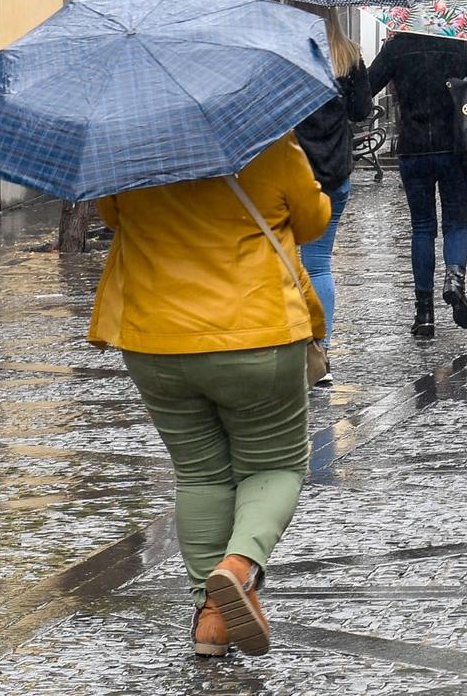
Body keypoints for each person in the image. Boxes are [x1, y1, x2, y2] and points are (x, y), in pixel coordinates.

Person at [91, 134, 330, 658]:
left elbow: (113, 216)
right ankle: (239, 567)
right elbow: (312, 220)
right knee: (276, 466)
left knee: (199, 473)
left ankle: (210, 619)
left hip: (155, 337)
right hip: (256, 332)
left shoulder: (125, 146)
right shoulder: (267, 143)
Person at [367, 25, 467, 338]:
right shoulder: (462, 46)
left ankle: (424, 314)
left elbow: (364, 93)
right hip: (456, 147)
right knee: (456, 224)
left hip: (414, 148)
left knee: (422, 227)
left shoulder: (397, 47)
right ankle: (454, 281)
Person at [286, 5, 370, 387]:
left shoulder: (284, 54)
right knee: (318, 265)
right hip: (334, 173)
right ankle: (320, 353)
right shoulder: (348, 55)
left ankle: (284, 348)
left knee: (282, 264)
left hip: (289, 174)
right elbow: (361, 112)